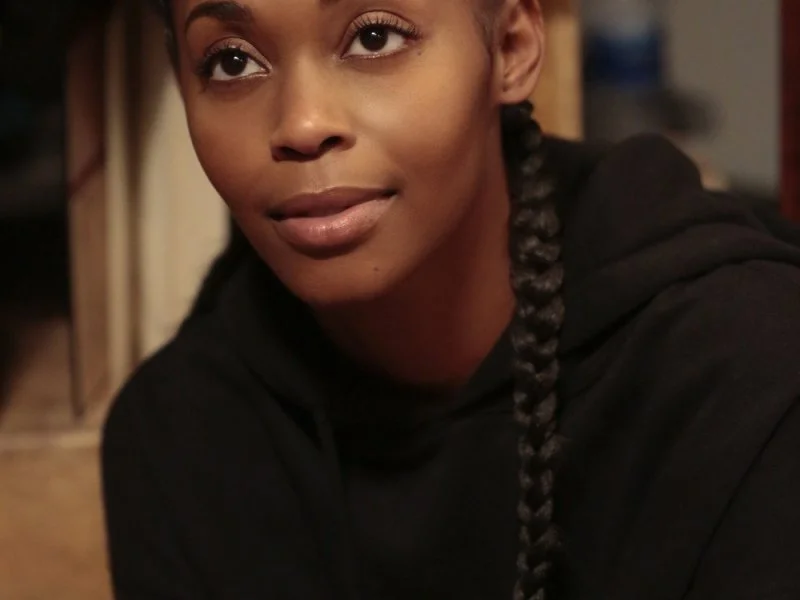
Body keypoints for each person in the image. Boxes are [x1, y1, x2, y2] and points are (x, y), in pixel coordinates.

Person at [101, 0, 800, 599]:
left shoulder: (746, 372)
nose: (303, 124)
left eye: (374, 36)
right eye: (230, 62)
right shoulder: (174, 443)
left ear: (511, 47)